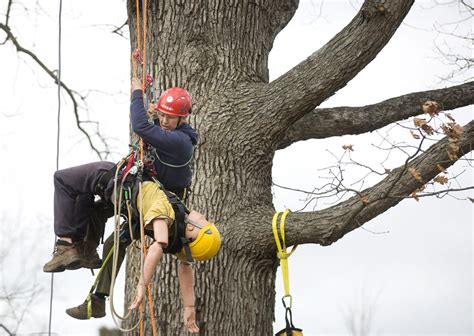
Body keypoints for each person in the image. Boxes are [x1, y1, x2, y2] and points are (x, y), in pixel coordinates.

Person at [43, 78, 221, 332]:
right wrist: (188, 310)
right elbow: (186, 273)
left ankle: (68, 246)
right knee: (108, 232)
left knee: (69, 181)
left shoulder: (180, 144)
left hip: (137, 193)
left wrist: (138, 93)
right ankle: (95, 291)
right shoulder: (181, 237)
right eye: (163, 115)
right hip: (139, 203)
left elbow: (140, 125)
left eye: (171, 117)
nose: (164, 121)